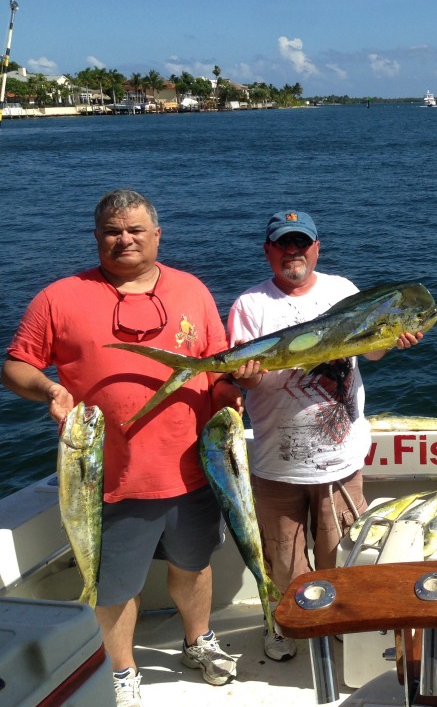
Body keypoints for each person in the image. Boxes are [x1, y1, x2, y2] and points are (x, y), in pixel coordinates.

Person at [1, 189, 244, 707]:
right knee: (114, 587)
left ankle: (197, 641)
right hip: (104, 482)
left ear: (157, 235)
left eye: (135, 230)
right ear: (97, 238)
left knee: (194, 567)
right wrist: (49, 390)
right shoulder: (59, 297)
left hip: (193, 472)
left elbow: (216, 363)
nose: (124, 239)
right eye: (113, 231)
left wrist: (230, 392)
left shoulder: (192, 290)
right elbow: (16, 365)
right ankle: (122, 670)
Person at [227, 209, 423, 661]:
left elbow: (370, 349)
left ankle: (339, 622)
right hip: (278, 459)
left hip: (341, 456)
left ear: (316, 248)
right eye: (283, 244)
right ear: (268, 252)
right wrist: (249, 377)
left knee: (342, 549)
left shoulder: (343, 291)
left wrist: (394, 340)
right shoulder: (250, 305)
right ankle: (287, 625)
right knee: (284, 555)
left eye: (301, 243)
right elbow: (244, 379)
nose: (292, 252)